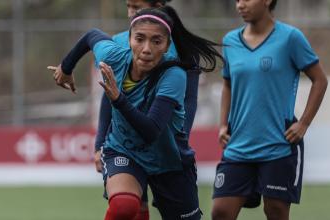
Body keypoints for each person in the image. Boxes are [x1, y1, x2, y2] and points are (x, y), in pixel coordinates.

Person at [48, 5, 223, 220]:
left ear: (167, 45)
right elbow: (91, 36)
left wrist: (118, 100)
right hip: (125, 151)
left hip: (169, 160)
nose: (146, 48)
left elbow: (151, 131)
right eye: (139, 39)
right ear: (129, 39)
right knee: (124, 207)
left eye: (156, 41)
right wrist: (66, 68)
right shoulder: (113, 56)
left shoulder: (174, 75)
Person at [211, 1, 328, 220]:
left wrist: (303, 123)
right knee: (221, 212)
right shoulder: (230, 41)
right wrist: (223, 124)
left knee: (275, 211)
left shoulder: (291, 38)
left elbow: (320, 80)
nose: (240, 5)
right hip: (238, 145)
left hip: (278, 145)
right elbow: (227, 83)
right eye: (237, 0)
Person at [94, 1, 178, 219]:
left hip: (167, 149)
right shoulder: (120, 43)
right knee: (126, 206)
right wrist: (99, 143)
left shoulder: (180, 52)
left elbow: (188, 101)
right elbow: (109, 95)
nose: (132, 13)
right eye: (128, 6)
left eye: (137, 7)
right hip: (128, 146)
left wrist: (180, 143)